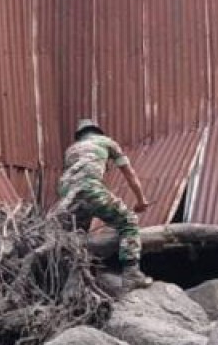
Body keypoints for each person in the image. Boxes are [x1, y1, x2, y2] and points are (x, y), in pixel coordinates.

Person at [57, 119, 152, 288]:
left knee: (77, 237)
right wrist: (141, 201)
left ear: (79, 136)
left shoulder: (71, 150)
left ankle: (75, 281)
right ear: (98, 131)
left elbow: (71, 179)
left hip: (67, 197)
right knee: (128, 221)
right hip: (89, 189)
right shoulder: (106, 142)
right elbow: (130, 175)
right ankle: (132, 273)